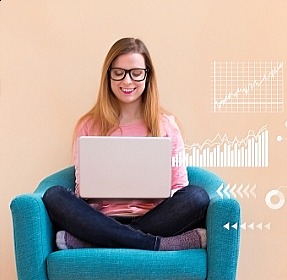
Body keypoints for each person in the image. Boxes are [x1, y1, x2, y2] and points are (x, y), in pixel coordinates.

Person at [42, 37, 210, 251]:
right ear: (108, 75)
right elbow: (81, 189)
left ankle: (91, 243)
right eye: (119, 73)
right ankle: (157, 245)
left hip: (156, 220)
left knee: (197, 196)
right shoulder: (88, 124)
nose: (127, 81)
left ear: (147, 76)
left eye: (136, 73)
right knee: (54, 195)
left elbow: (179, 187)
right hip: (99, 220)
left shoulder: (166, 125)